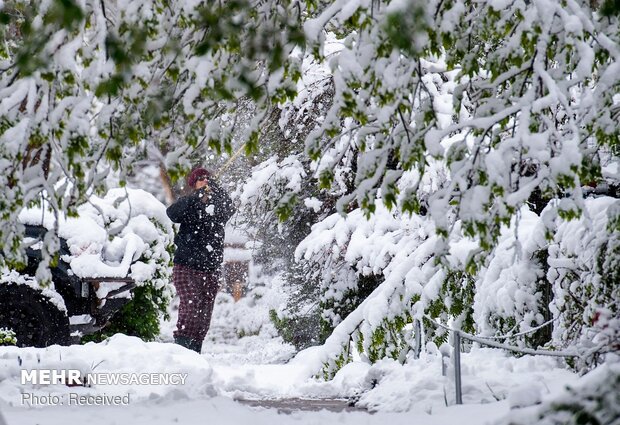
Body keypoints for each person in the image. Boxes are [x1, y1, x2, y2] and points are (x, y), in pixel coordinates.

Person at [166, 167, 235, 353]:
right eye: (201, 179)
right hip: (186, 267)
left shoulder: (217, 208)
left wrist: (218, 190)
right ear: (194, 184)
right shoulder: (189, 204)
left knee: (204, 315)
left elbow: (230, 208)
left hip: (210, 269)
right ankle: (181, 351)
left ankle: (195, 353)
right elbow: (172, 213)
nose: (205, 181)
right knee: (191, 307)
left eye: (208, 179)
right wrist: (196, 196)